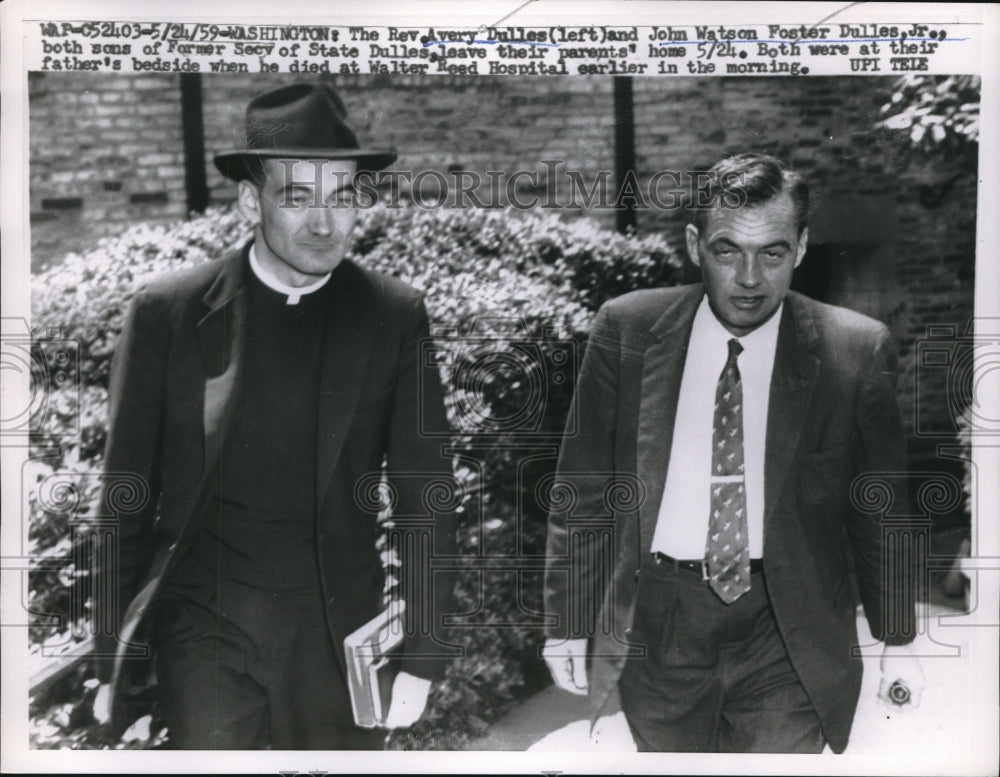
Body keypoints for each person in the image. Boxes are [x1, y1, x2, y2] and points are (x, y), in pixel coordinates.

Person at [90, 82, 456, 749]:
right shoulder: (169, 312)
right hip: (203, 634)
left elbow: (424, 494)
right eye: (298, 196)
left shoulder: (392, 315)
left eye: (342, 196)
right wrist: (117, 662)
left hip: (336, 637)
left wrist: (424, 657)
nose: (325, 221)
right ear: (250, 200)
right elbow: (124, 497)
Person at [542, 153, 925, 753]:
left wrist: (899, 642)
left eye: (772, 252)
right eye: (728, 251)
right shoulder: (628, 330)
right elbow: (584, 486)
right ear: (696, 245)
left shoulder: (854, 350)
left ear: (801, 248)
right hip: (662, 619)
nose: (750, 278)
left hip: (787, 623)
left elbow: (881, 510)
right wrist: (565, 623)